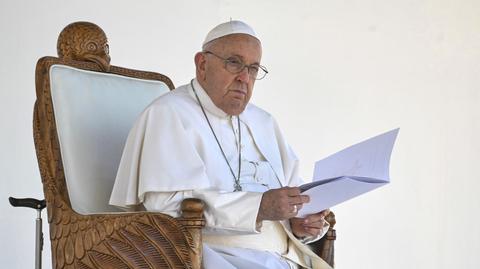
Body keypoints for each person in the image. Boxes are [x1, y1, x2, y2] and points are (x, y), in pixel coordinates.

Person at [110, 20, 332, 269]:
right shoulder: (168, 113)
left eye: (253, 68)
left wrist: (300, 224)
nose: (244, 78)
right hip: (216, 255)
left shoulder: (264, 122)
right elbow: (165, 208)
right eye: (234, 62)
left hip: (286, 257)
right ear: (202, 65)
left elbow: (295, 194)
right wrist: (257, 208)